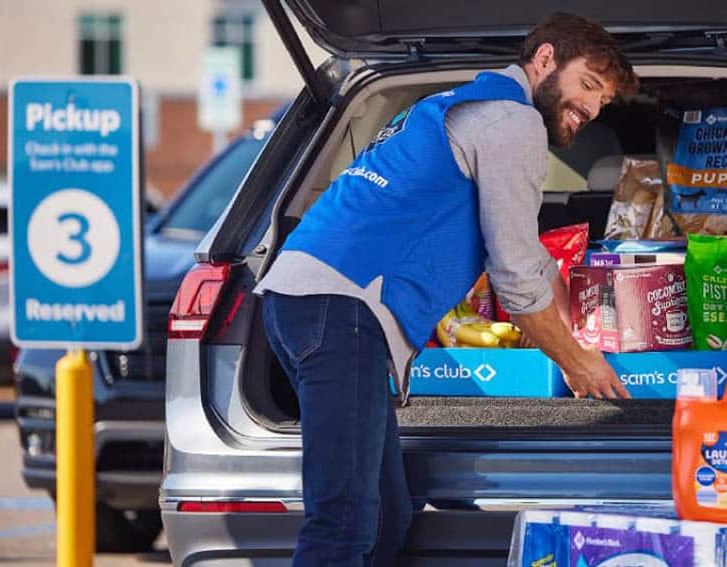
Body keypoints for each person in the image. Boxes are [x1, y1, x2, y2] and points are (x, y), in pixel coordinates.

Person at [254, 11, 638, 566]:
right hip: (340, 311)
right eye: (588, 86)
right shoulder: (513, 120)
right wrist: (577, 362)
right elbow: (513, 276)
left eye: (602, 102)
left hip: (301, 300)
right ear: (546, 59)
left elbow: (525, 254)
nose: (591, 109)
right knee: (344, 519)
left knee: (386, 514)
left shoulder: (450, 105)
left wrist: (577, 326)